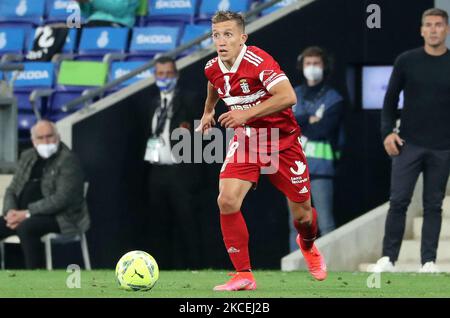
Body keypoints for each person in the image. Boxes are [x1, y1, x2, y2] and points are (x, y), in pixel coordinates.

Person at [195, 11, 327, 291]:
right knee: (227, 200)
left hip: (283, 142)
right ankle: (243, 274)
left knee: (303, 216)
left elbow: (288, 96)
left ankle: (308, 245)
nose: (221, 40)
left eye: (228, 34)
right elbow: (214, 84)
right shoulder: (212, 67)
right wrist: (208, 111)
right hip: (248, 141)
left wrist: (245, 114)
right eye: (216, 35)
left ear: (242, 38)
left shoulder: (258, 61)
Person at [372, 8, 450, 273]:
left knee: (433, 205)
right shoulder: (406, 60)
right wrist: (387, 133)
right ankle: (388, 259)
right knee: (399, 201)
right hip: (408, 144)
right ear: (421, 30)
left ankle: (428, 262)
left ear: (447, 29)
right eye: (428, 25)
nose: (433, 29)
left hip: (443, 147)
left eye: (438, 25)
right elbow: (390, 100)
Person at [0, 120, 90, 269]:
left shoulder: (68, 160)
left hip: (61, 217)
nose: (45, 141)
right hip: (22, 215)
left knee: (27, 228)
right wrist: (11, 212)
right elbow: (12, 190)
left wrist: (27, 214)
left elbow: (62, 198)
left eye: (49, 136)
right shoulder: (27, 156)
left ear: (58, 137)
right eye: (40, 138)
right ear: (33, 141)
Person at [144, 56, 201, 269]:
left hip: (181, 171)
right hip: (157, 171)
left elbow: (203, 137)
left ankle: (196, 269)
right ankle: (161, 269)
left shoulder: (189, 100)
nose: (165, 78)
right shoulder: (153, 103)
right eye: (160, 74)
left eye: (169, 74)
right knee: (159, 225)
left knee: (188, 224)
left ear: (176, 75)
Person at [288, 46, 344, 251]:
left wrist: (301, 122)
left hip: (322, 169)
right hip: (294, 169)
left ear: (324, 66)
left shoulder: (333, 97)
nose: (312, 68)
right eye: (308, 63)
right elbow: (285, 123)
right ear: (301, 67)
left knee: (326, 222)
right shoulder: (292, 94)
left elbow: (324, 129)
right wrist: (308, 119)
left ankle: (330, 265)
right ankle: (296, 269)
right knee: (297, 223)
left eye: (316, 64)